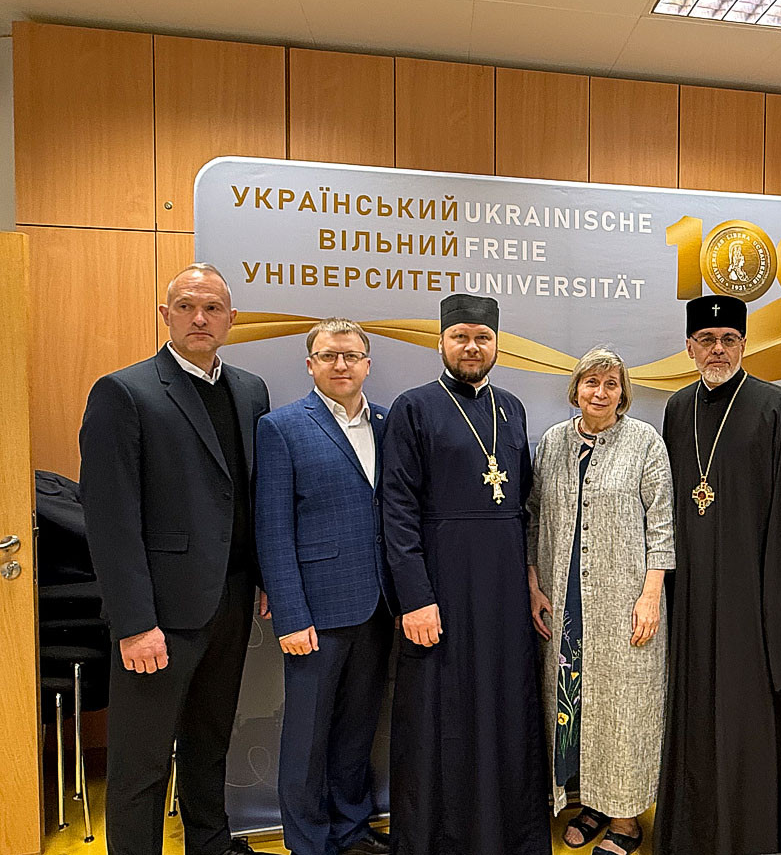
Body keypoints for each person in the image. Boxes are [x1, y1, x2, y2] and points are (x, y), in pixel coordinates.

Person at [78, 263, 270, 855]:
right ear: (166, 315)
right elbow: (110, 521)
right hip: (159, 613)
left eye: (212, 308)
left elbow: (251, 495)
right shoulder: (124, 392)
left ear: (231, 319)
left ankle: (209, 845)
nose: (199, 318)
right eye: (186, 306)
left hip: (232, 600)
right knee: (142, 761)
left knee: (210, 745)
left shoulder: (250, 391)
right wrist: (135, 623)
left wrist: (265, 578)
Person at [379, 293, 550, 855]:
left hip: (503, 588)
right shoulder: (413, 407)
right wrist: (414, 598)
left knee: (504, 705)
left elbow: (525, 507)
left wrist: (530, 583)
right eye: (461, 337)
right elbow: (396, 510)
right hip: (442, 584)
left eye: (482, 338)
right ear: (441, 342)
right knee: (440, 712)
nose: (472, 347)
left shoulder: (513, 409)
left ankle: (505, 835)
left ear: (496, 344)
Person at [654, 294, 781, 855]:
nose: (718, 350)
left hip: (752, 593)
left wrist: (779, 602)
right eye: (707, 340)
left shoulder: (775, 405)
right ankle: (693, 833)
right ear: (689, 347)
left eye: (729, 340)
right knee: (693, 708)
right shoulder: (677, 408)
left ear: (744, 345)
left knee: (745, 714)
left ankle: (747, 834)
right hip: (691, 590)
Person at [526, 346, 675, 855]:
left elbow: (662, 525)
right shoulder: (553, 443)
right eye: (591, 382)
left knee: (623, 708)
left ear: (623, 393)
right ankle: (591, 803)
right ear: (576, 389)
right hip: (565, 603)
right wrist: (533, 583)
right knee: (576, 707)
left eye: (611, 384)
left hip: (625, 603)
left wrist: (651, 595)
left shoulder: (645, 442)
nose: (601, 392)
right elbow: (532, 517)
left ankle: (626, 819)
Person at [254, 318, 393, 855]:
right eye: (330, 356)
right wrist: (291, 615)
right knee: (307, 738)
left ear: (367, 365)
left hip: (377, 606)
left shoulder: (388, 423)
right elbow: (273, 528)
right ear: (310, 364)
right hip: (316, 610)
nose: (341, 365)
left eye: (351, 356)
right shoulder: (282, 427)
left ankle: (351, 830)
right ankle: (309, 842)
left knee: (358, 731)